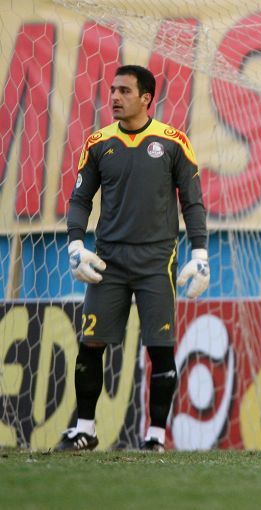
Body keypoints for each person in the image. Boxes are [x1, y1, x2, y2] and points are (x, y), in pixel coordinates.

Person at [55, 65, 210, 452]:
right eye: (112, 90)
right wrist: (75, 245)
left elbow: (192, 202)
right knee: (91, 343)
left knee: (160, 347)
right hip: (108, 261)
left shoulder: (174, 142)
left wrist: (200, 253)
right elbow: (79, 199)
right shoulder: (98, 143)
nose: (115, 97)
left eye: (124, 91)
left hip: (157, 261)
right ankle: (85, 429)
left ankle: (155, 437)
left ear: (146, 98)